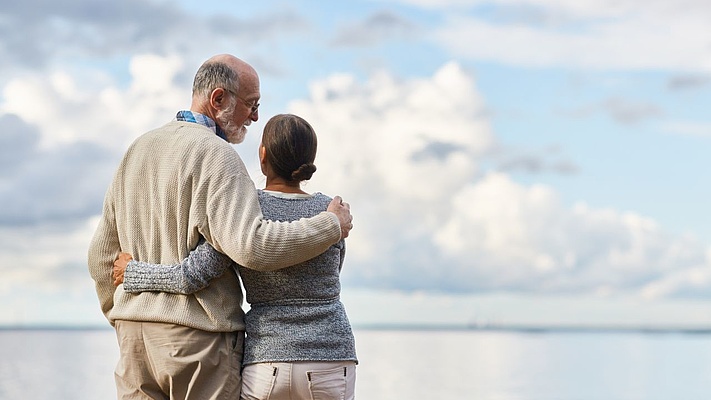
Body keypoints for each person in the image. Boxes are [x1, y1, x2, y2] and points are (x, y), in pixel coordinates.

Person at [87, 55, 354, 400]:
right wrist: (331, 224)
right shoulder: (218, 155)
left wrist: (125, 316)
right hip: (198, 342)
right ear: (218, 99)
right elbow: (250, 246)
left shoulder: (136, 150)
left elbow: (99, 258)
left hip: (134, 339)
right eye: (251, 104)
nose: (255, 116)